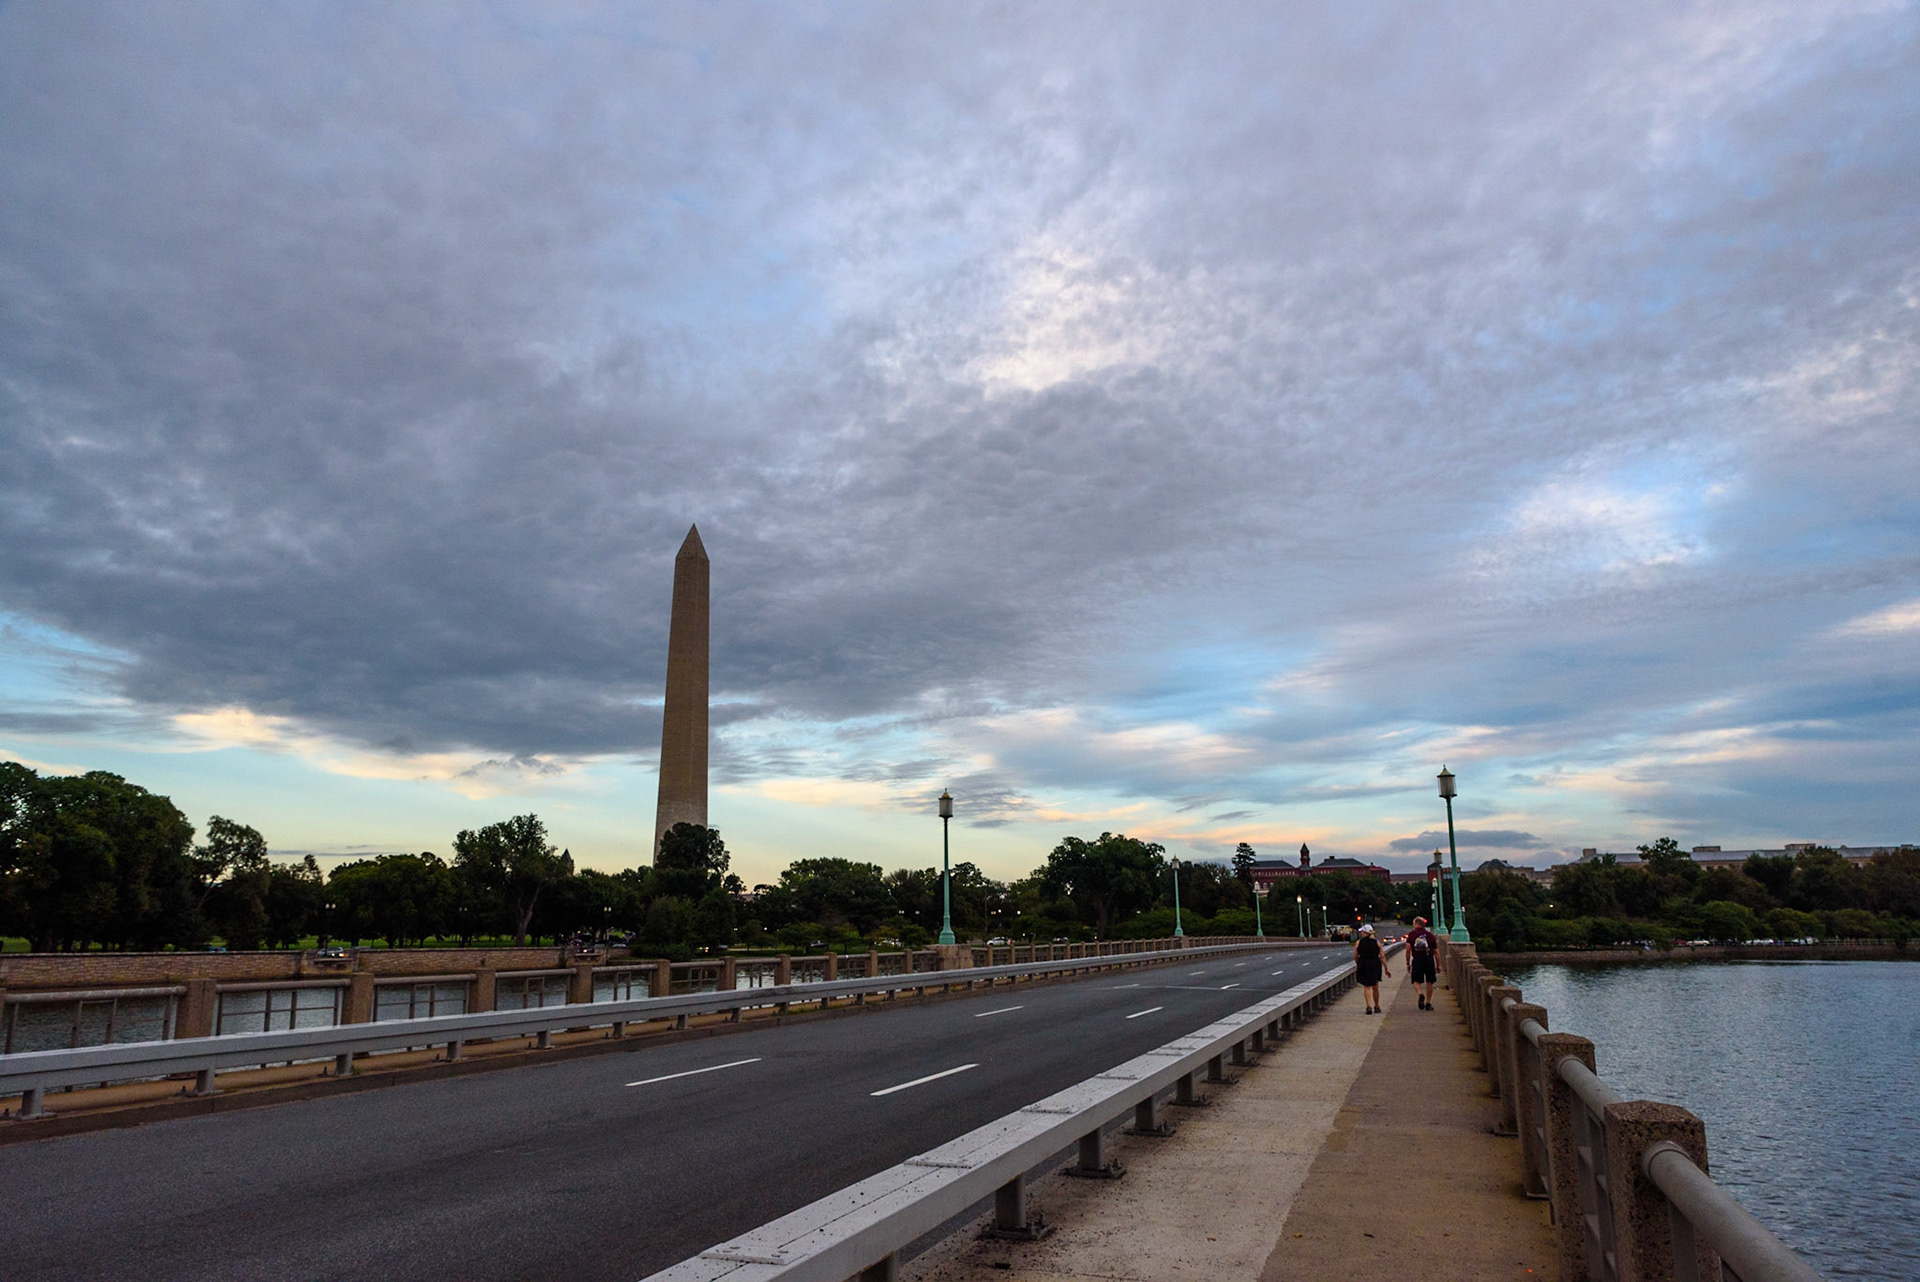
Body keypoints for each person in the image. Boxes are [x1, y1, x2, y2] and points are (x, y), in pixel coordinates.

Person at [1353, 923, 1389, 1014]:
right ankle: (1377, 1006)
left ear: (1365, 932)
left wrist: (1358, 963)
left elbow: (1355, 956)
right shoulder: (1377, 943)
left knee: (1367, 986)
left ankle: (1368, 1006)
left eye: (1362, 932)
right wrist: (1386, 968)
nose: (1361, 933)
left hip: (1364, 964)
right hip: (1375, 964)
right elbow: (1382, 956)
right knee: (1375, 986)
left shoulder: (1358, 943)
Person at [1405, 915, 1439, 1010]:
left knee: (1416, 981)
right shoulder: (1430, 935)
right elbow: (1436, 952)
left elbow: (1408, 949)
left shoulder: (1412, 934)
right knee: (1430, 981)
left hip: (1417, 960)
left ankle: (1420, 994)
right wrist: (1438, 965)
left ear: (1417, 924)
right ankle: (1428, 1003)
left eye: (1413, 923)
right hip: (1429, 959)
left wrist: (1408, 962)